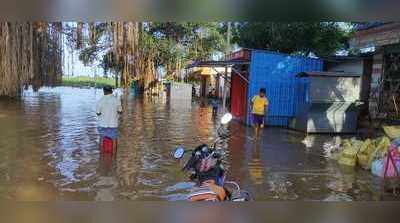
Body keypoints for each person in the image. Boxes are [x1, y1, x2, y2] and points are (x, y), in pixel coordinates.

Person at [96, 86, 122, 154]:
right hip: (113, 124)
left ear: (104, 91)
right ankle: (114, 156)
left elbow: (98, 113)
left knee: (101, 139)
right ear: (112, 91)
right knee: (114, 140)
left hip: (102, 124)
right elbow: (120, 111)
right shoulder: (117, 100)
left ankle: (101, 155)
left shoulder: (100, 101)